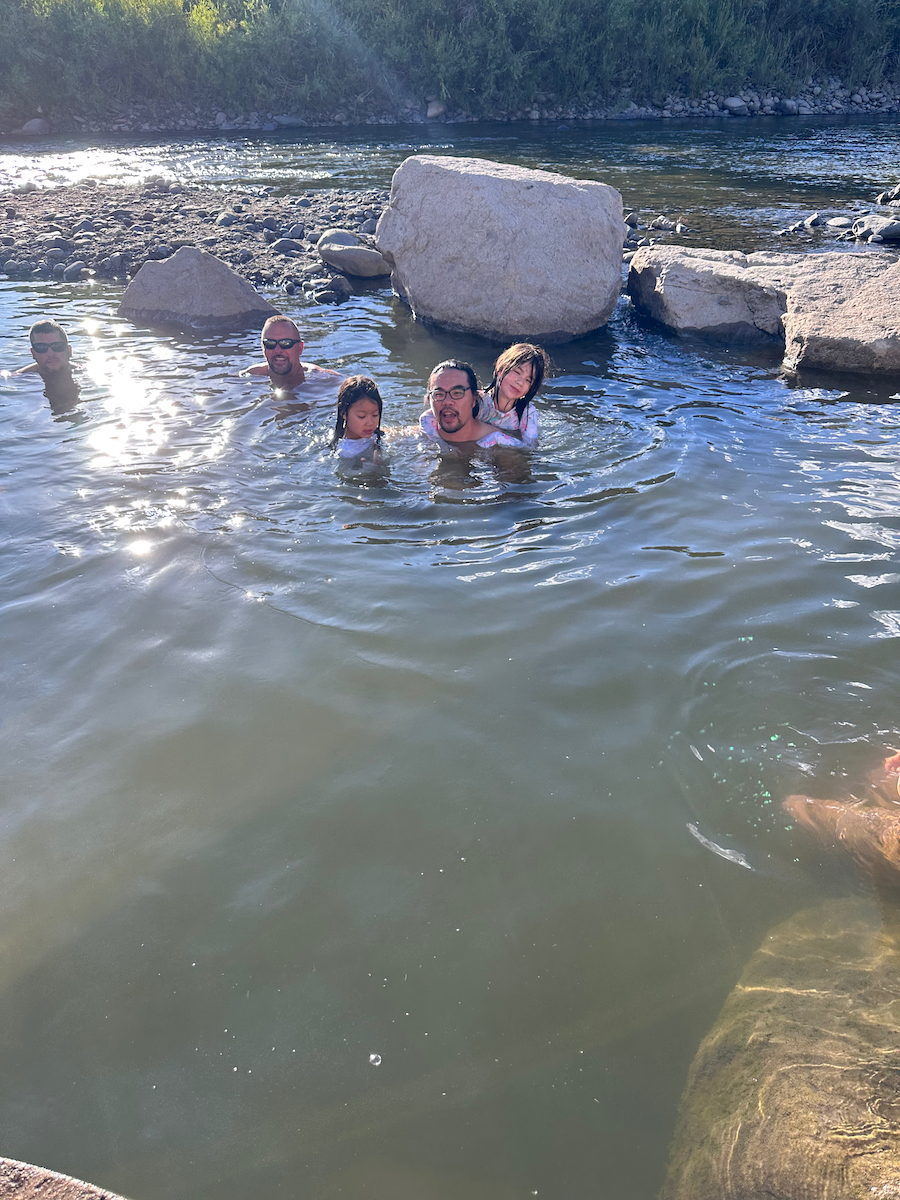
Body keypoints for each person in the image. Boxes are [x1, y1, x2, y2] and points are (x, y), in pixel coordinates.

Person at [419, 360, 523, 449]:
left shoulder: (502, 444)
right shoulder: (425, 433)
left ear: (474, 399)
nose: (447, 401)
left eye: (457, 393)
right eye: (439, 394)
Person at [242, 315, 342, 394]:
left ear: (300, 348)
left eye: (286, 343)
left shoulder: (323, 378)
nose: (277, 350)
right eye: (270, 343)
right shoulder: (249, 376)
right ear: (263, 348)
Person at [478, 343, 551, 445]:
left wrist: (498, 436)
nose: (520, 382)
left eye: (528, 380)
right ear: (501, 369)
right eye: (517, 372)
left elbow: (529, 447)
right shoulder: (479, 402)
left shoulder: (527, 413)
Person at [331, 375, 383, 461]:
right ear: (344, 413)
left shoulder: (374, 433)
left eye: (375, 415)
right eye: (361, 416)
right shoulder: (345, 452)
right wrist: (375, 468)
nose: (370, 423)